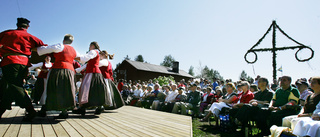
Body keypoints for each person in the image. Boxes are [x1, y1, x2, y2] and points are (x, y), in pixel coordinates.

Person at [0, 18, 46, 121]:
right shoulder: (30, 37)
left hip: (10, 62)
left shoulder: (6, 33)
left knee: (14, 86)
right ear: (27, 27)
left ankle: (30, 110)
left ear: (17, 24)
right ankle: (1, 110)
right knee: (14, 86)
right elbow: (42, 46)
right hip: (24, 64)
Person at [34, 34, 79, 119]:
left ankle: (44, 110)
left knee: (51, 89)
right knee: (67, 90)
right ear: (72, 42)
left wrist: (34, 49)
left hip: (59, 69)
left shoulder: (59, 46)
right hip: (70, 71)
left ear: (63, 40)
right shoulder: (74, 50)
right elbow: (81, 58)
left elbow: (44, 49)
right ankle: (64, 112)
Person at [73, 41, 109, 116]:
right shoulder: (95, 53)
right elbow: (86, 65)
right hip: (93, 73)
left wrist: (73, 57)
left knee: (86, 90)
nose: (89, 47)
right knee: (94, 91)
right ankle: (97, 107)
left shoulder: (93, 52)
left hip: (93, 74)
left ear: (92, 46)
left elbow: (85, 58)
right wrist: (76, 70)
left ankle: (83, 108)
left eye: (90, 46)